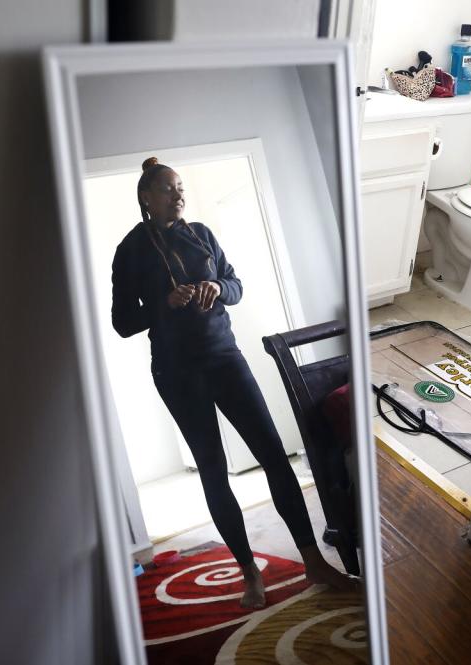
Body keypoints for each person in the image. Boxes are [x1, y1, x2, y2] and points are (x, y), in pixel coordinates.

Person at [111, 157, 354, 609]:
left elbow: (235, 284)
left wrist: (218, 289)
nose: (178, 194)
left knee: (273, 457)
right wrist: (164, 303)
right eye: (167, 189)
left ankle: (313, 563)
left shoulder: (201, 234)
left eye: (180, 187)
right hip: (176, 372)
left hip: (225, 359)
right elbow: (122, 322)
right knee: (213, 469)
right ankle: (248, 573)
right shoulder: (130, 250)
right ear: (147, 196)